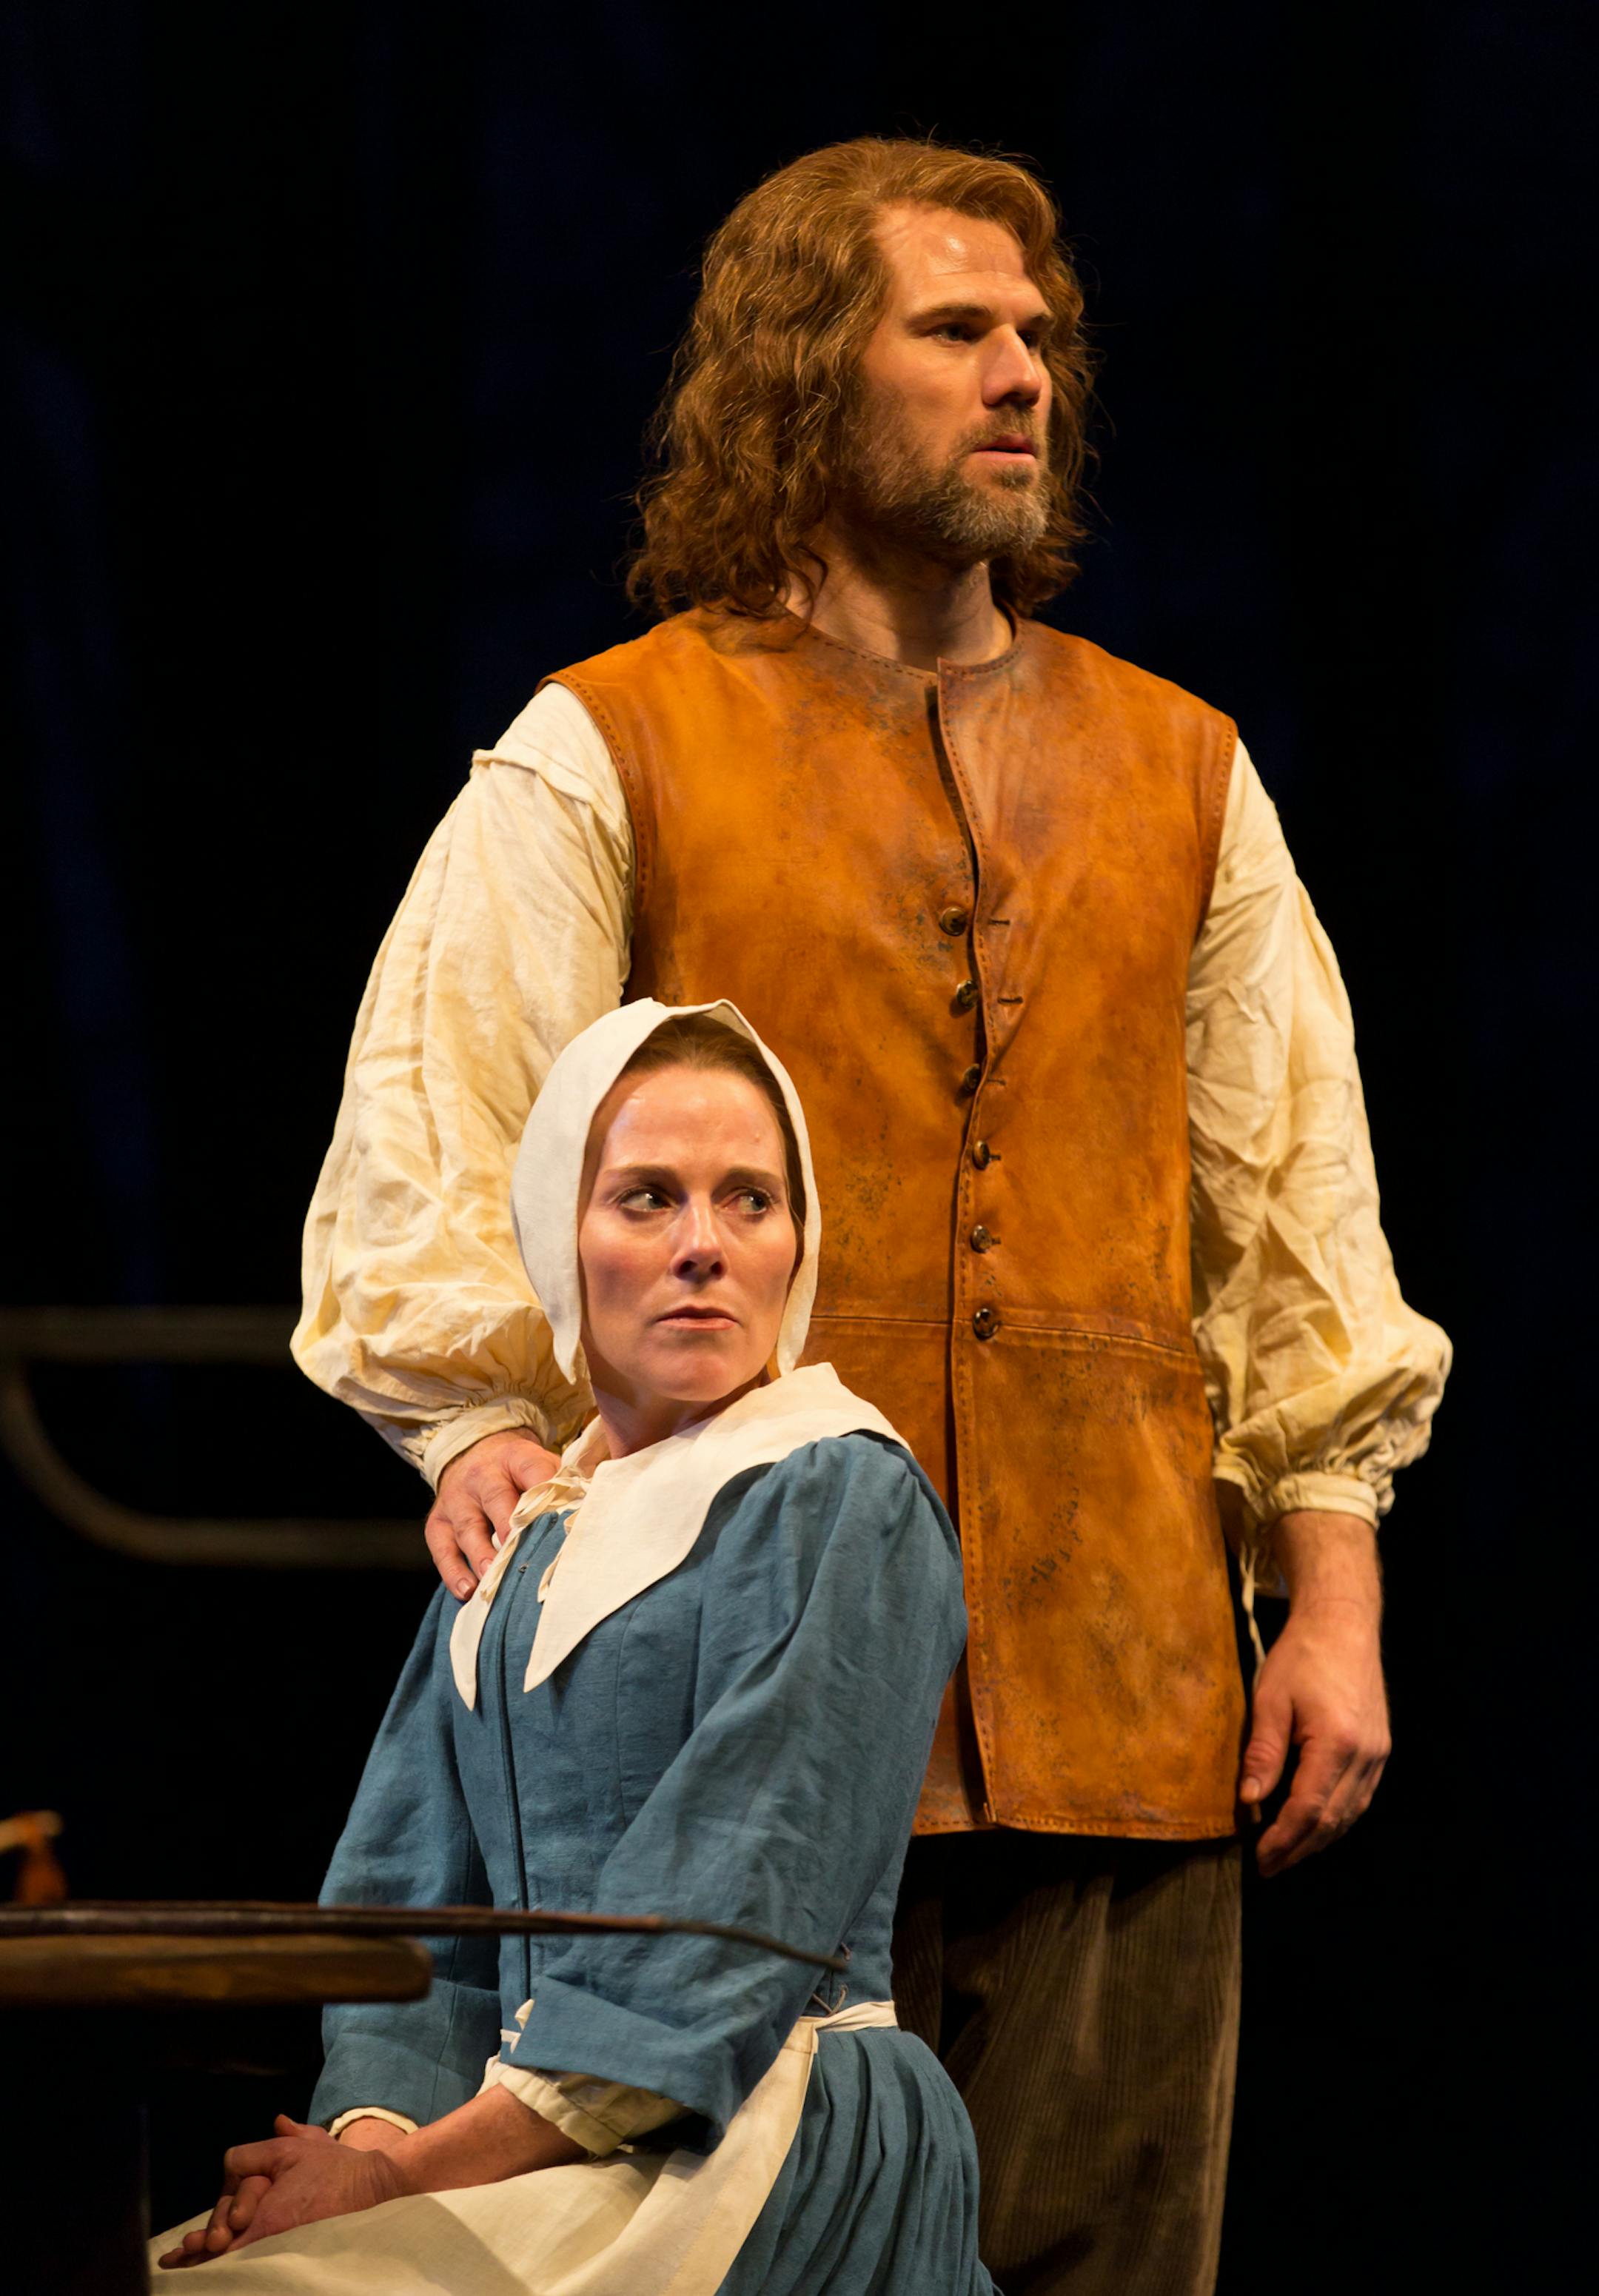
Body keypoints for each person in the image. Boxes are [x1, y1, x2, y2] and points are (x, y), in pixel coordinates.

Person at [292, 138, 1451, 2293]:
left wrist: (1334, 1587)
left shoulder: (1176, 761)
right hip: (723, 1718)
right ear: (813, 376)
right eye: (957, 331)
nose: (1023, 373)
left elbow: (1297, 1208)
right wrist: (476, 1434)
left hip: (1117, 1703)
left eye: (1040, 337)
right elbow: (434, 1138)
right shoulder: (617, 745)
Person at [156, 1001, 989, 2290]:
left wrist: (396, 2179)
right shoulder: (527, 1528)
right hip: (516, 2151)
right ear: (562, 1234)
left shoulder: (837, 1495)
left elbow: (730, 1915)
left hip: (751, 2126)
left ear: (797, 1240)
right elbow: (407, 1913)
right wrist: (365, 2146)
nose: (704, 1245)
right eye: (648, 1197)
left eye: (750, 1200)